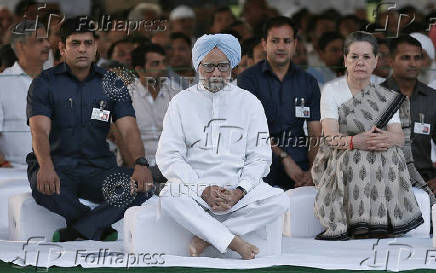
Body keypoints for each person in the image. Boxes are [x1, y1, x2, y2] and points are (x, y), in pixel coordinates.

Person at [156, 34, 289, 259]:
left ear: (232, 66)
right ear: (197, 66)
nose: (216, 73)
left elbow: (260, 157)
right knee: (169, 196)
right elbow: (169, 156)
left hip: (236, 188)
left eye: (223, 66)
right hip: (195, 189)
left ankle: (207, 238)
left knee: (279, 199)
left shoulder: (249, 102)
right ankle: (232, 241)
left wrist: (240, 190)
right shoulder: (181, 102)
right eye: (209, 66)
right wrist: (202, 189)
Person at [26, 17, 153, 242]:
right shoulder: (44, 83)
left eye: (88, 43)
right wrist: (45, 165)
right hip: (57, 167)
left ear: (96, 47)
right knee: (42, 185)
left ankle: (76, 231)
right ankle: (98, 226)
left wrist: (140, 163)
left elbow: (129, 130)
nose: (83, 49)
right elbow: (39, 131)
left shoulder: (113, 83)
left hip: (99, 169)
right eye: (75, 43)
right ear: (62, 48)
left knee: (142, 187)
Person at [312, 31, 423, 240]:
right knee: (357, 155)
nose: (360, 62)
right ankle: (359, 224)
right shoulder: (332, 91)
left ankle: (383, 224)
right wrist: (356, 141)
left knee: (390, 152)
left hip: (378, 153)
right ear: (345, 60)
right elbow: (330, 137)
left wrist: (385, 139)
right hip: (339, 154)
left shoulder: (385, 96)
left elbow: (399, 137)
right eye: (354, 57)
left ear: (376, 61)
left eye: (366, 57)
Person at [238, 16, 322, 190]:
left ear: (295, 44)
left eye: (286, 41)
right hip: (260, 162)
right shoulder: (248, 79)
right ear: (264, 44)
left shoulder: (308, 82)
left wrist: (313, 170)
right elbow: (252, 129)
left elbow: (315, 132)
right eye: (274, 41)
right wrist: (284, 158)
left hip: (301, 164)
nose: (281, 46)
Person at [380, 35, 436, 199]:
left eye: (417, 58)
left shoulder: (432, 98)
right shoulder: (375, 96)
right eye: (405, 58)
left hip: (425, 184)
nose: (413, 64)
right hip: (384, 184)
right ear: (391, 60)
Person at [0, 21, 49, 167]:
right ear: (21, 46)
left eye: (46, 39)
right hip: (14, 175)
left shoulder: (58, 81)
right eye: (40, 40)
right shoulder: (3, 83)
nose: (47, 44)